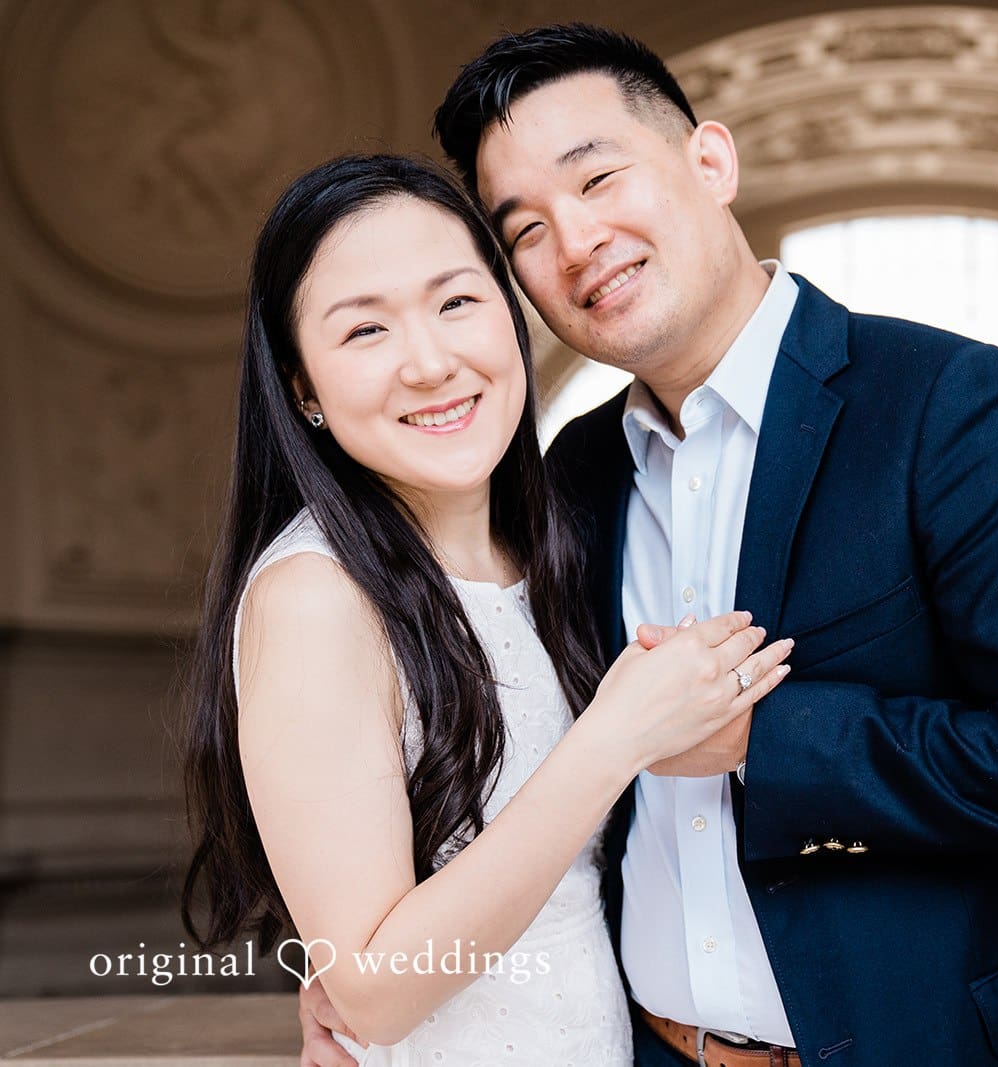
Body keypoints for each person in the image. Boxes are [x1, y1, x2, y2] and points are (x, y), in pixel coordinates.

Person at [302, 23, 998, 1066]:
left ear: (711, 161)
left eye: (597, 179)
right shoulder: (569, 473)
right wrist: (356, 965)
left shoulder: (942, 403)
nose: (574, 242)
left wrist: (767, 738)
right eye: (524, 230)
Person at [179, 153, 794, 1065]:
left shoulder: (550, 533)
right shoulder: (315, 595)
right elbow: (376, 992)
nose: (432, 363)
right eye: (365, 330)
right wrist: (614, 739)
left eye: (457, 301)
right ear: (302, 386)